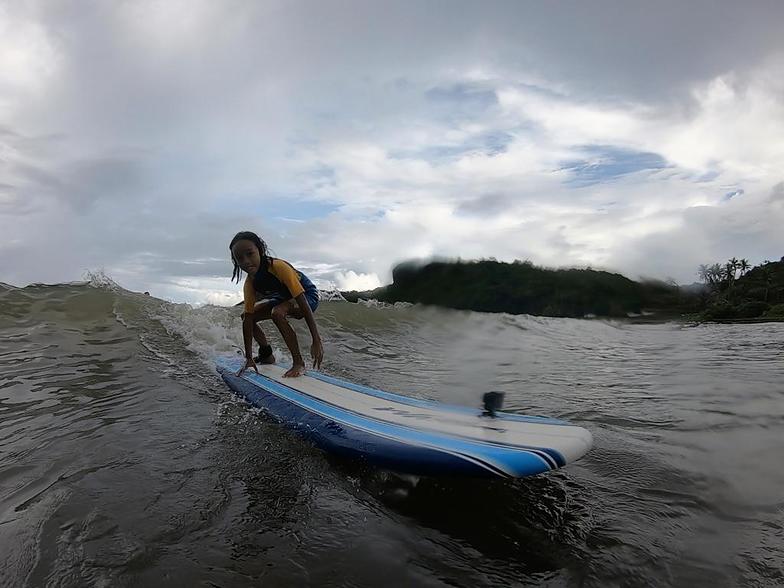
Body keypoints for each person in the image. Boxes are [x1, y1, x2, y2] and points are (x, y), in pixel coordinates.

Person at [229, 231, 323, 377]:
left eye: (250, 254)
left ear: (260, 251)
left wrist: (316, 340)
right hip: (283, 299)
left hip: (307, 296)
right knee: (246, 316)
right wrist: (248, 357)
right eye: (240, 258)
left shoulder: (278, 267)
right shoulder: (250, 283)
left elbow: (302, 301)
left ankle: (298, 363)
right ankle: (266, 354)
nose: (246, 261)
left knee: (277, 313)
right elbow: (248, 319)